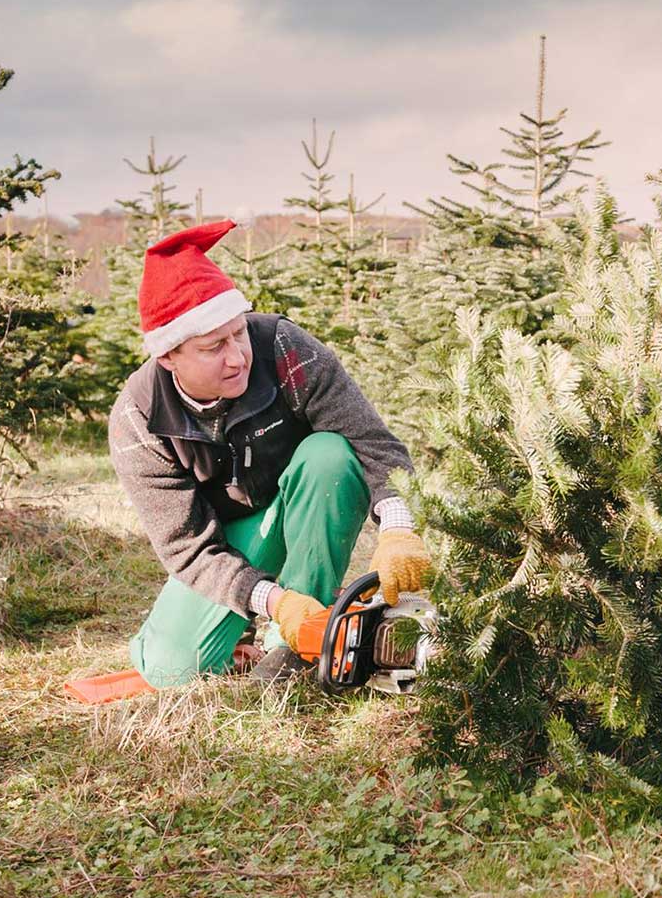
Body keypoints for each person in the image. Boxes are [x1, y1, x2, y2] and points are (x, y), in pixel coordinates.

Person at [108, 219, 430, 686]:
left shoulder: (285, 349)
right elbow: (188, 550)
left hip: (305, 507)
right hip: (227, 543)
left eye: (238, 333)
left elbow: (372, 443)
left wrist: (399, 528)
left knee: (330, 455)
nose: (237, 356)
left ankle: (298, 644)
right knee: (169, 669)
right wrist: (276, 602)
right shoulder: (140, 418)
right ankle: (282, 619)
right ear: (168, 357)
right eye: (212, 346)